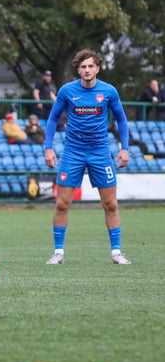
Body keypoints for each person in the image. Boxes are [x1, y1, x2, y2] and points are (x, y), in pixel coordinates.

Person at [44, 49, 131, 265]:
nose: (87, 70)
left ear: (97, 68)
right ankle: (58, 253)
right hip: (73, 151)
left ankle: (116, 253)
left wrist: (124, 147)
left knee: (110, 204)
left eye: (91, 66)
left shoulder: (109, 91)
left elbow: (121, 118)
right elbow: (53, 118)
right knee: (62, 203)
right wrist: (48, 147)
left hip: (100, 152)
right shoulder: (67, 91)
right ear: (78, 69)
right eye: (83, 67)